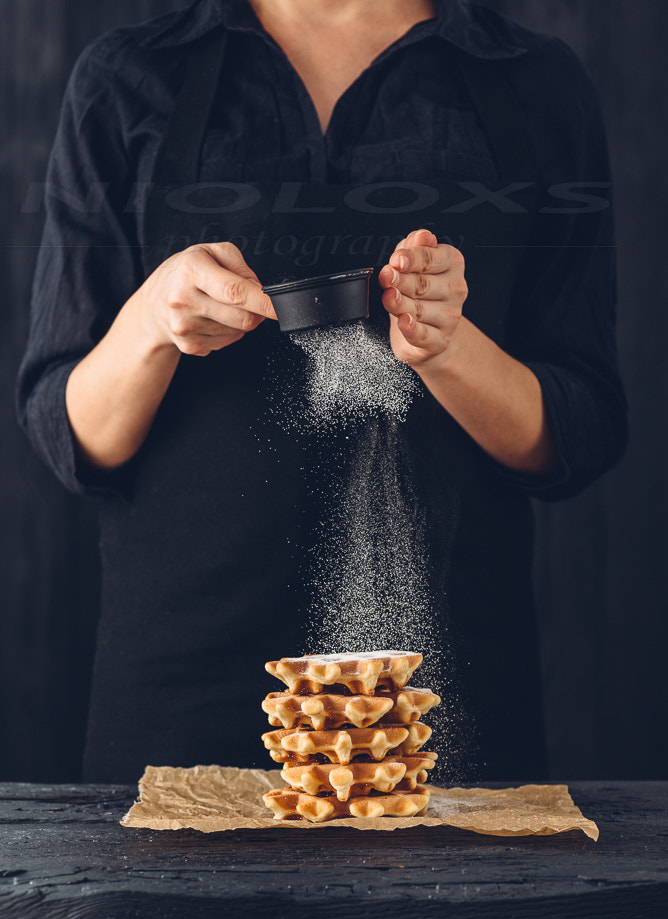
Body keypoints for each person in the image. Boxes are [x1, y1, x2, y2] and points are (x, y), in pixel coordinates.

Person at [17, 0, 627, 783]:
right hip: (179, 702)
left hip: (432, 706)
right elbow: (70, 437)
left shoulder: (532, 82)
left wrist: (447, 346)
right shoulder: (131, 77)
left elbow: (578, 435)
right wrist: (152, 321)